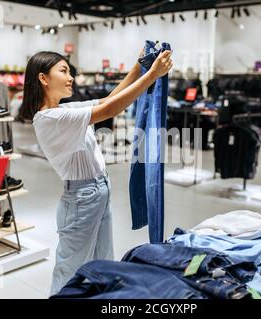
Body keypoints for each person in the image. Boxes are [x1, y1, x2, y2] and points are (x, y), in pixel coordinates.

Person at [19, 49, 173, 295]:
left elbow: (108, 100)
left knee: (102, 266)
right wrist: (152, 75)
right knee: (69, 271)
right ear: (43, 79)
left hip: (97, 191)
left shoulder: (65, 110)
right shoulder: (50, 118)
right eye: (64, 71)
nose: (71, 77)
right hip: (82, 198)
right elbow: (110, 110)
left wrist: (138, 67)